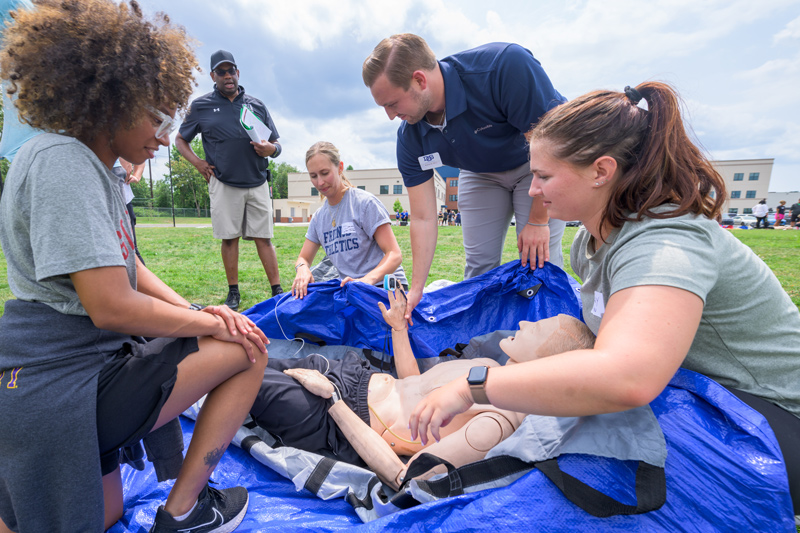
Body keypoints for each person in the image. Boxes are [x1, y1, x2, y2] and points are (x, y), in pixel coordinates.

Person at [406, 82, 800, 516]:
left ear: (601, 171)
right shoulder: (591, 242)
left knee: (589, 460)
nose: (532, 190)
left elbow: (627, 376)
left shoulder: (667, 242)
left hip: (773, 420)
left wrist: (474, 387)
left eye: (543, 176)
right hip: (706, 400)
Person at [0, 2, 270, 532]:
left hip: (79, 369)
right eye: (160, 117)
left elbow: (131, 267)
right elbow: (110, 305)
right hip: (54, 384)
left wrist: (194, 309)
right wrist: (214, 324)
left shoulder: (93, 167)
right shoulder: (62, 161)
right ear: (113, 100)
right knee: (247, 347)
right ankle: (184, 512)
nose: (168, 137)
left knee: (107, 515)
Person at [250, 289, 595, 489]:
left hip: (335, 417)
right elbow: (414, 385)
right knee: (242, 352)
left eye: (537, 327)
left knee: (235, 375)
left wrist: (334, 402)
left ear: (546, 362)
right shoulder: (488, 372)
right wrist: (399, 329)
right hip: (346, 377)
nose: (523, 322)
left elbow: (404, 478)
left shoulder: (495, 423)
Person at [362, 34, 567, 321]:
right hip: (479, 173)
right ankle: (482, 338)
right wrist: (418, 287)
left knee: (538, 261)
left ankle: (553, 334)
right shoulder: (410, 137)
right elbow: (422, 217)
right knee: (479, 268)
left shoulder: (503, 67)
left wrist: (537, 220)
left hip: (535, 164)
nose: (390, 115)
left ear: (420, 80)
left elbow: (553, 150)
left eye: (393, 103)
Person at [176, 49, 282, 311]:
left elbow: (276, 144)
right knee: (229, 239)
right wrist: (198, 163)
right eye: (221, 72)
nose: (227, 76)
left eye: (231, 70)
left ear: (238, 72)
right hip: (223, 182)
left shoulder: (256, 104)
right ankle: (233, 292)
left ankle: (277, 291)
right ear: (213, 76)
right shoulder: (200, 106)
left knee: (264, 238)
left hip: (257, 180)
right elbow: (180, 140)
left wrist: (272, 150)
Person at [291, 142, 408, 298]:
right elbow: (303, 257)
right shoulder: (319, 218)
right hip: (352, 290)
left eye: (325, 173)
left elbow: (394, 254)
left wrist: (366, 281)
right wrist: (302, 268)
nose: (319, 182)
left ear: (340, 168)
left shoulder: (364, 204)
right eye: (313, 176)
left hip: (384, 286)